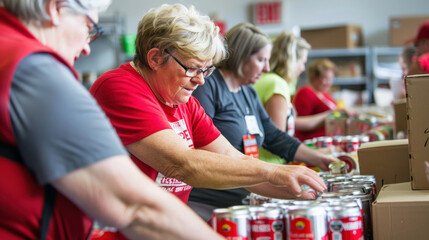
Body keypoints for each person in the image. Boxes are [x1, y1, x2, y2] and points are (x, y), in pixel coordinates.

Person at [0, 0, 225, 239]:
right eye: (89, 27)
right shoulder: (36, 72)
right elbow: (132, 206)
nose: (87, 47)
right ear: (55, 9)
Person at [90, 4, 328, 222]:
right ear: (155, 58)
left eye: (206, 70)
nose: (201, 80)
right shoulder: (119, 88)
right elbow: (182, 164)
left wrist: (303, 193)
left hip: (163, 225)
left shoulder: (182, 100)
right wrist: (274, 171)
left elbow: (230, 157)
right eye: (192, 68)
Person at [187, 23, 338, 221]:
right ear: (241, 55)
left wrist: (318, 159)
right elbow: (205, 149)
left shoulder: (248, 92)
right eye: (261, 60)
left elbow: (274, 136)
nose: (267, 67)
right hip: (212, 203)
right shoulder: (208, 87)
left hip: (244, 195)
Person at [253, 31, 334, 163]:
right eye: (302, 62)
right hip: (273, 165)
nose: (302, 69)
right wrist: (319, 155)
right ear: (291, 61)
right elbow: (279, 142)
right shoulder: (277, 85)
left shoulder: (268, 80)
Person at [293, 58, 338, 141]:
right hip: (313, 143)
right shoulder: (306, 92)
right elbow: (299, 124)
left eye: (330, 79)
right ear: (314, 77)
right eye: (325, 79)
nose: (329, 83)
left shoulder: (325, 94)